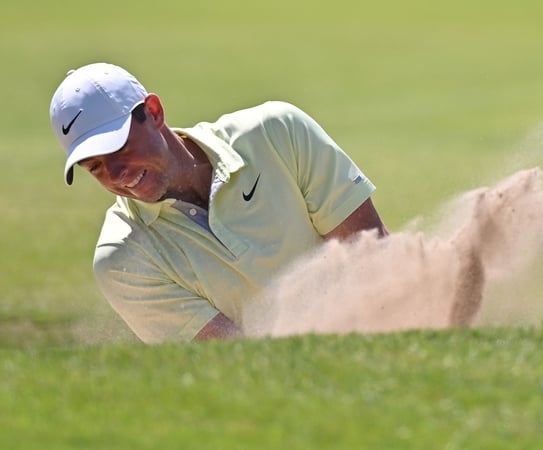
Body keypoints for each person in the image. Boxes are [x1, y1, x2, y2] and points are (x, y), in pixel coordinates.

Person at [49, 62, 389, 344]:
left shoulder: (277, 132)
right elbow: (233, 362)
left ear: (153, 112)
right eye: (95, 167)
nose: (117, 173)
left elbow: (373, 260)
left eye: (120, 147)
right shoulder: (120, 258)